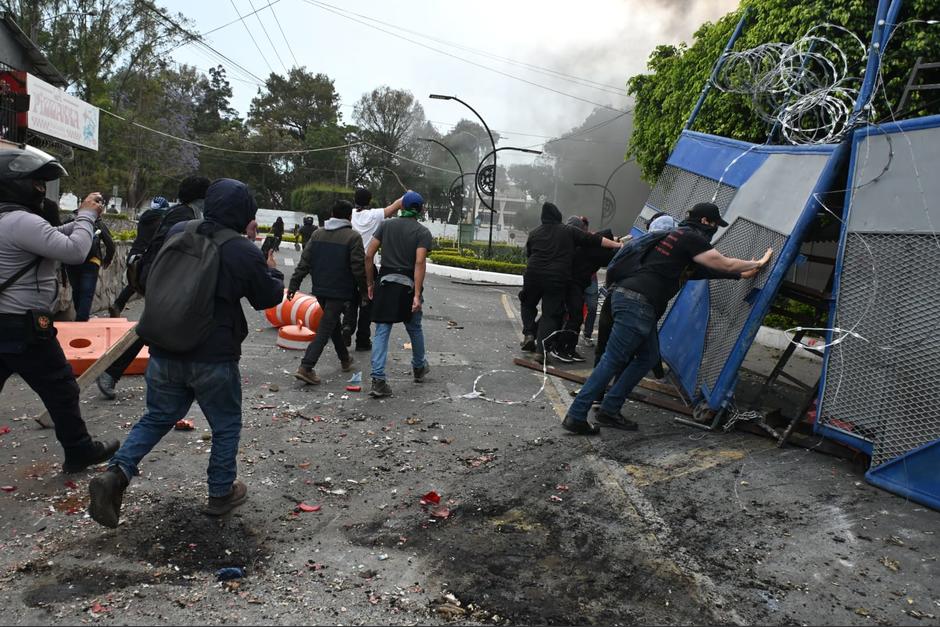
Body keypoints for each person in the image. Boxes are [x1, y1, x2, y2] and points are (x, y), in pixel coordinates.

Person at [88, 178, 284, 528]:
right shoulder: (241, 250)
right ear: (245, 214)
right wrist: (268, 266)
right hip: (213, 356)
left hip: (163, 346)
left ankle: (116, 473)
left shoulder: (180, 228)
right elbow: (267, 299)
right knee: (225, 426)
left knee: (157, 416)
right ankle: (220, 492)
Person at [562, 202, 772, 435]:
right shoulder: (690, 237)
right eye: (714, 224)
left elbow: (705, 271)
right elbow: (723, 263)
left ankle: (609, 410)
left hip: (630, 299)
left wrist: (741, 274)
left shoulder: (672, 239)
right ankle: (576, 414)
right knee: (613, 359)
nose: (715, 229)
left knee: (647, 357)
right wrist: (759, 263)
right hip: (638, 302)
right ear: (704, 221)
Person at [0, 146, 119, 473]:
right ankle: (80, 450)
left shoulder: (9, 220)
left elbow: (51, 237)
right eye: (36, 182)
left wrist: (83, 219)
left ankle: (79, 448)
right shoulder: (20, 221)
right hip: (23, 327)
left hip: (6, 322)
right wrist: (86, 216)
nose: (41, 189)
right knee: (62, 387)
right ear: (15, 183)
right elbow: (75, 251)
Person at [96, 176, 211, 400]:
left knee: (162, 328)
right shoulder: (183, 215)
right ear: (200, 197)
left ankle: (121, 374)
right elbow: (169, 249)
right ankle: (112, 372)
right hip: (162, 278)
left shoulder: (188, 213)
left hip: (165, 278)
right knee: (154, 328)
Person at [519, 202, 621, 362]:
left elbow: (529, 253)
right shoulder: (569, 231)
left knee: (527, 303)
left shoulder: (534, 233)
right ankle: (540, 352)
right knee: (550, 314)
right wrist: (618, 245)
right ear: (558, 216)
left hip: (533, 274)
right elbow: (596, 240)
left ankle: (529, 333)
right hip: (556, 278)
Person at [288, 200, 366, 385]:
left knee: (332, 325)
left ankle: (345, 359)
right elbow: (358, 268)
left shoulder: (317, 234)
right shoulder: (353, 237)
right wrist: (364, 291)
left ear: (331, 213)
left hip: (320, 289)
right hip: (340, 291)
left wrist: (293, 285)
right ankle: (306, 367)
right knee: (325, 327)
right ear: (349, 216)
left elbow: (304, 262)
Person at [365, 190, 431, 398]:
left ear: (401, 207)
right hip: (408, 286)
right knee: (414, 328)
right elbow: (419, 262)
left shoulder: (385, 226)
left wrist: (370, 283)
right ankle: (419, 368)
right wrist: (417, 295)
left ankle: (378, 379)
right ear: (420, 210)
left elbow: (368, 255)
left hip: (384, 283)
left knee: (382, 331)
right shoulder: (422, 232)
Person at [344, 188, 403, 352]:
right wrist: (407, 195)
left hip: (349, 265)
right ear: (370, 201)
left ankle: (347, 326)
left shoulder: (349, 215)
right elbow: (397, 205)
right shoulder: (375, 215)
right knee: (367, 302)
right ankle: (363, 339)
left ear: (354, 199)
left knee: (350, 299)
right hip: (368, 266)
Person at [109, 196, 170, 318]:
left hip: (134, 255)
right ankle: (151, 316)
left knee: (134, 284)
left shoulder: (144, 218)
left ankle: (117, 305)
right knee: (151, 286)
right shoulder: (161, 221)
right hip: (147, 257)